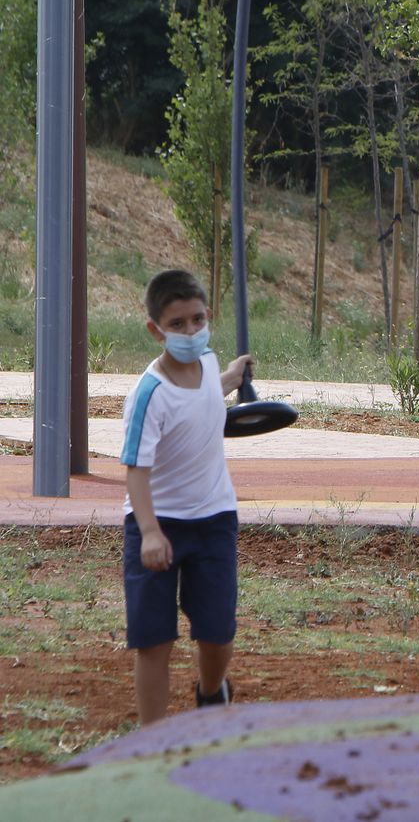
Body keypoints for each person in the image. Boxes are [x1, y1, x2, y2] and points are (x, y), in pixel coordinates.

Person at [122, 269, 253, 725]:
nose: (191, 331)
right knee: (153, 640)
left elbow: (209, 393)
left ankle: (211, 691)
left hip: (214, 518)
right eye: (177, 324)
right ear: (155, 330)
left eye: (198, 320)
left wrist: (234, 376)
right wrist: (150, 533)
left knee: (218, 632)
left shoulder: (210, 363)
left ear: (208, 315)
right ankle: (154, 738)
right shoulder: (149, 394)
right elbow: (135, 470)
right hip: (156, 524)